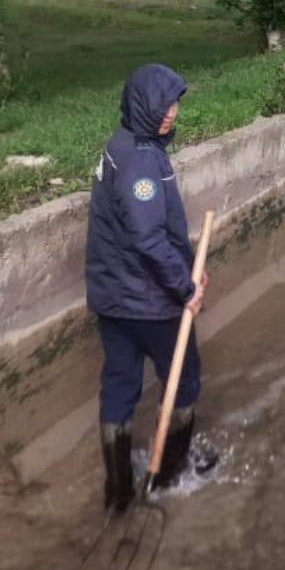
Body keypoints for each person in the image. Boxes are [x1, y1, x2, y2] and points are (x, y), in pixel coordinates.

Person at [84, 63, 216, 514]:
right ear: (144, 106)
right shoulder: (141, 159)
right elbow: (147, 237)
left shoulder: (120, 145)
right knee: (184, 378)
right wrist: (184, 287)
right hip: (149, 302)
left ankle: (118, 493)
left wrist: (188, 267)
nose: (173, 113)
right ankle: (169, 473)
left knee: (119, 384)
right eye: (165, 105)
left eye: (176, 103)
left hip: (112, 296)